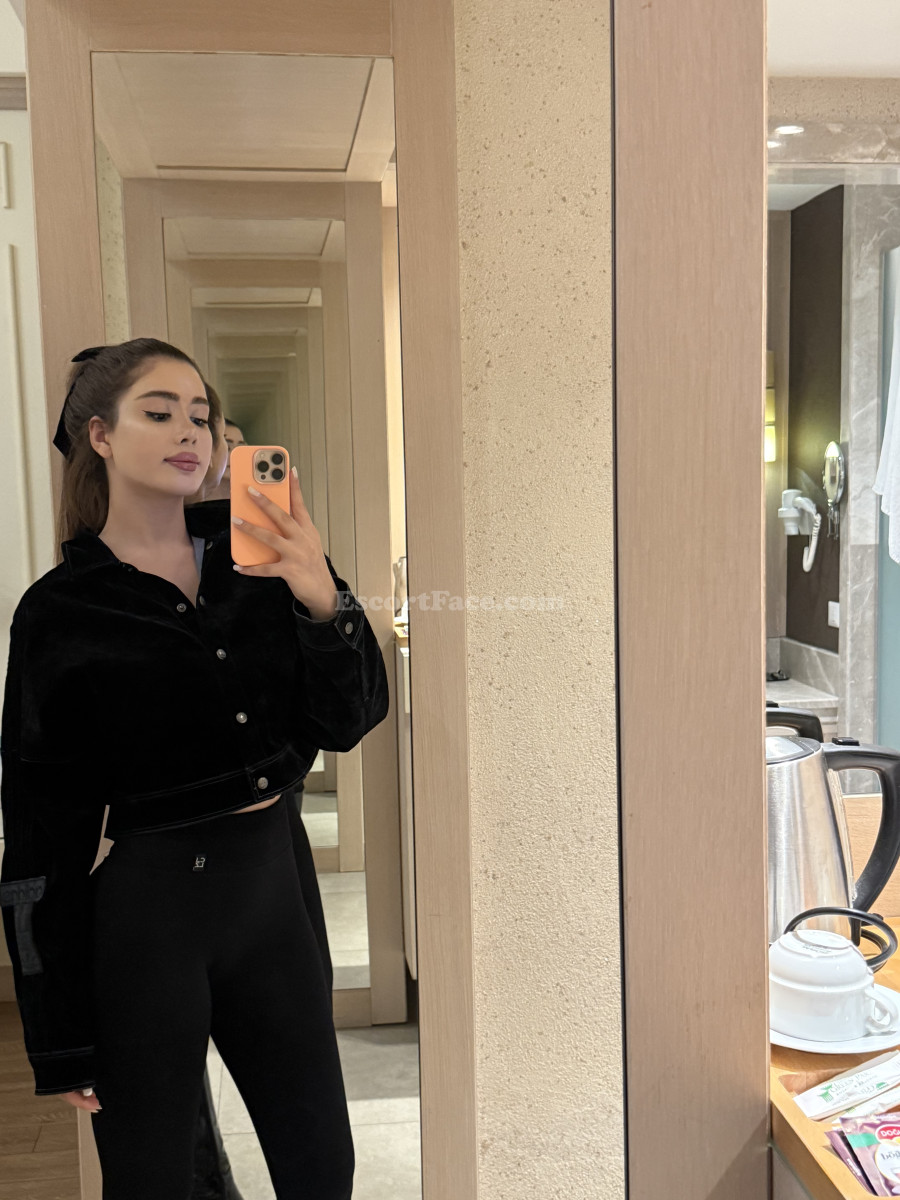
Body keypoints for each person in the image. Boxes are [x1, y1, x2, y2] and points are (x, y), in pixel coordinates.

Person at [0, 339, 389, 1199]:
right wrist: (56, 1031)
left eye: (201, 416)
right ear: (100, 435)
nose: (190, 431)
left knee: (322, 1167)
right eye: (159, 412)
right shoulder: (60, 613)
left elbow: (351, 719)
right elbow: (38, 830)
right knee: (152, 1179)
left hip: (275, 898)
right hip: (150, 921)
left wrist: (321, 596)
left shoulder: (264, 566)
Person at [202, 416, 246, 503]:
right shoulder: (186, 500)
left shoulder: (251, 500)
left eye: (240, 448)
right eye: (227, 447)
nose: (235, 455)